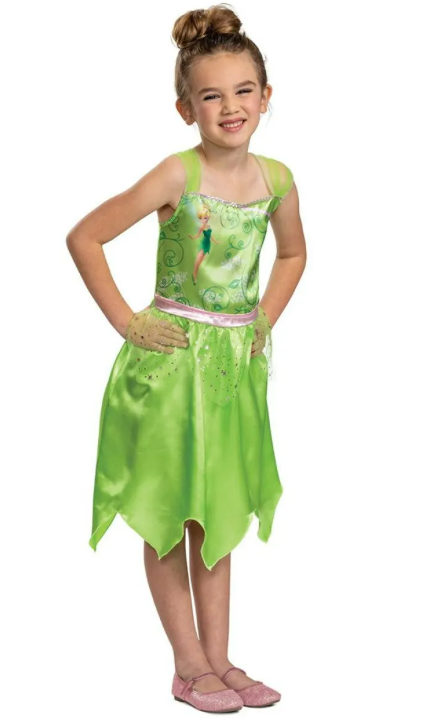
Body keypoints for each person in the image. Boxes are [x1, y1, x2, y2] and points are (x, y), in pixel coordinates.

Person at [66, 2, 306, 714]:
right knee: (173, 513)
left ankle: (221, 659)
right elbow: (85, 237)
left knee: (217, 513)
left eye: (243, 91)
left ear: (266, 96)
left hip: (230, 373)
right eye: (211, 95)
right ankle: (188, 664)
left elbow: (293, 254)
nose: (230, 107)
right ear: (185, 108)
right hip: (170, 369)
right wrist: (126, 321)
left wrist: (262, 320)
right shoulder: (177, 175)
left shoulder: (277, 179)